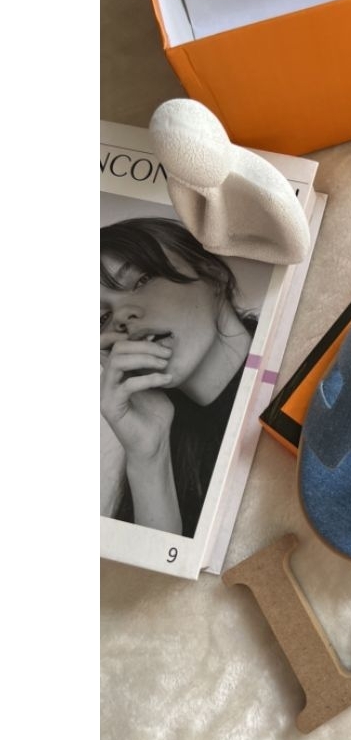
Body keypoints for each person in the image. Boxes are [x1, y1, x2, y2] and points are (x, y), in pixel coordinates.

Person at [100, 217, 256, 538]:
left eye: (142, 280)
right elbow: (158, 570)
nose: (121, 317)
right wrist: (149, 456)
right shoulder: (161, 443)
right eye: (102, 318)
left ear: (211, 273)